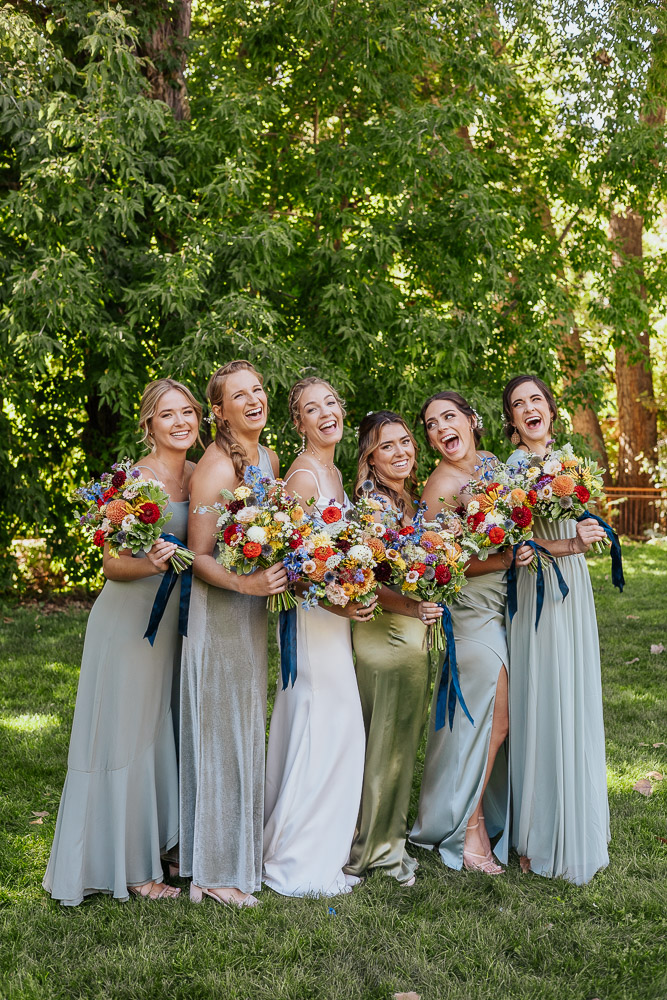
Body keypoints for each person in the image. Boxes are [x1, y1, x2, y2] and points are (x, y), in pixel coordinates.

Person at [43, 378, 201, 904]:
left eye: (187, 412)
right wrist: (148, 562)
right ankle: (133, 868)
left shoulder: (203, 477)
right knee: (129, 736)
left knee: (163, 731)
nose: (180, 422)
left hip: (178, 624)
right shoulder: (135, 481)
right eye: (167, 414)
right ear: (149, 425)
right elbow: (112, 564)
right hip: (130, 622)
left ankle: (161, 844)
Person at [409, 390, 534, 873]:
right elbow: (445, 564)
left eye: (449, 417)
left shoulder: (492, 463)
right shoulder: (438, 487)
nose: (441, 429)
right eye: (432, 424)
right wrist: (503, 558)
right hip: (471, 611)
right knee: (493, 721)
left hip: (506, 604)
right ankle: (467, 830)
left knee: (489, 721)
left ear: (471, 420)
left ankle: (477, 818)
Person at [180, 360, 287, 908]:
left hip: (249, 613)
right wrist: (247, 586)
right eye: (238, 395)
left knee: (241, 728)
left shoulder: (267, 458)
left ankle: (223, 858)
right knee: (221, 734)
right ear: (218, 411)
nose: (253, 400)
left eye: (259, 389)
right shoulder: (216, 469)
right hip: (221, 612)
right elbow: (197, 556)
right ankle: (216, 874)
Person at [494, 374, 610, 884]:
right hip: (536, 594)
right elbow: (516, 551)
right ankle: (536, 834)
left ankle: (575, 821)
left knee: (574, 695)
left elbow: (576, 521)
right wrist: (570, 544)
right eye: (518, 405)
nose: (529, 409)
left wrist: (587, 528)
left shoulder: (570, 462)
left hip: (574, 590)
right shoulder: (511, 473)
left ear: (551, 410)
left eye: (536, 399)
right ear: (513, 425)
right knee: (541, 700)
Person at [262, 377, 373, 897]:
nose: (326, 413)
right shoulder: (304, 478)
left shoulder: (331, 471)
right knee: (326, 728)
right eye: (312, 408)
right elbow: (296, 569)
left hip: (334, 621)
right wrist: (343, 602)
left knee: (334, 730)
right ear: (299, 423)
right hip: (314, 622)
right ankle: (295, 859)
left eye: (330, 403)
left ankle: (319, 845)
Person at [344, 411, 441, 886]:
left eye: (406, 442)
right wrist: (413, 604)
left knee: (397, 742)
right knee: (386, 744)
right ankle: (377, 850)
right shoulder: (374, 505)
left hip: (406, 631)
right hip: (387, 634)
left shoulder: (401, 498)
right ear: (370, 457)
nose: (402, 451)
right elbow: (366, 580)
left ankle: (387, 838)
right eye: (388, 446)